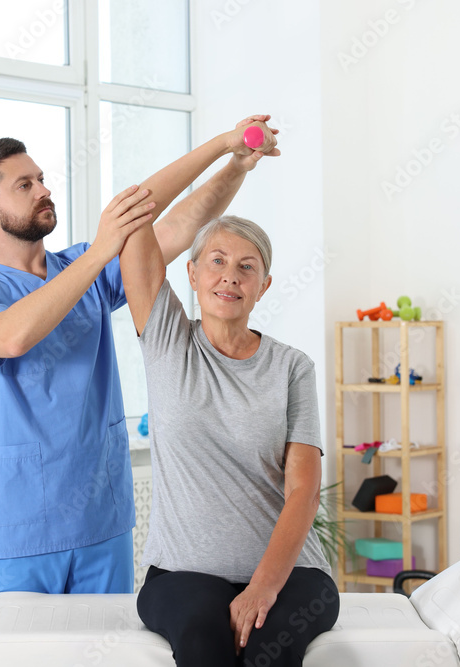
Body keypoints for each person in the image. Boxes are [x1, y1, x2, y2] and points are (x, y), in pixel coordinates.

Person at [0, 116, 279, 597]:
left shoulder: (80, 268)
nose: (42, 191)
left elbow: (176, 224)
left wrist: (232, 160)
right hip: (20, 525)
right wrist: (99, 253)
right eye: (25, 185)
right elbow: (10, 338)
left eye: (42, 180)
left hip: (102, 518)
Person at [119, 201, 339, 662]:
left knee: (269, 650)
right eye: (217, 261)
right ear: (193, 273)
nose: (230, 276)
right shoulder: (167, 340)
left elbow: (303, 489)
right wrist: (228, 153)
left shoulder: (291, 367)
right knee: (204, 641)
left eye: (246, 267)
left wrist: (261, 588)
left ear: (264, 286)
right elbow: (137, 239)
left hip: (293, 574)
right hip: (182, 572)